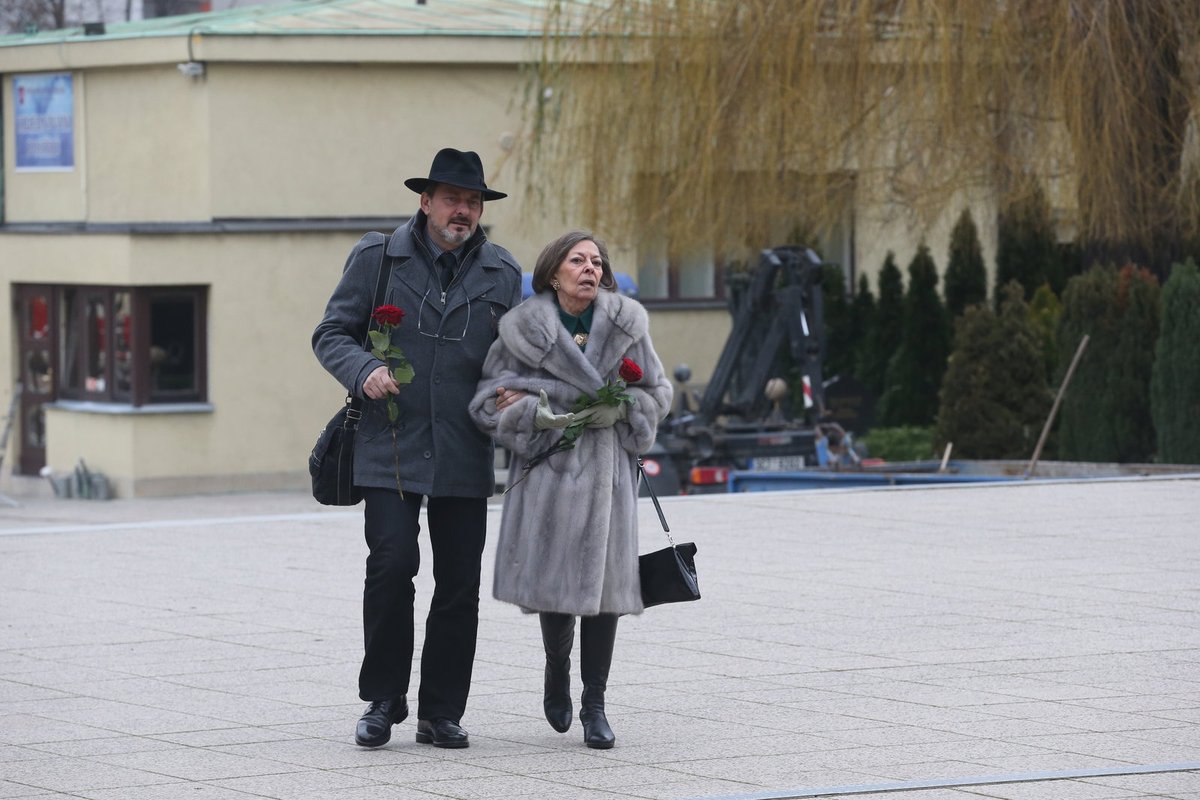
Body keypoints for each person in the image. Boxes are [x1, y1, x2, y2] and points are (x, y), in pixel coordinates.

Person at [313, 148, 522, 749]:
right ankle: (383, 700)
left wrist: (512, 389)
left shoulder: (502, 273)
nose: (464, 211)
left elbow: (515, 357)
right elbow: (331, 333)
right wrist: (362, 370)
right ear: (425, 202)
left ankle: (441, 711)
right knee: (391, 565)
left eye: (474, 202)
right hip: (391, 444)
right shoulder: (378, 257)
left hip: (464, 448)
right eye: (453, 199)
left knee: (458, 582)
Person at [469, 230, 672, 748]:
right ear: (552, 272)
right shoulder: (522, 330)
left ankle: (595, 705)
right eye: (577, 260)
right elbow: (487, 399)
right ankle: (556, 668)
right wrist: (532, 411)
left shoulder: (627, 324)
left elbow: (657, 390)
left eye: (596, 261)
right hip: (550, 474)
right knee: (557, 593)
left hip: (607, 478)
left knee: (606, 597)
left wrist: (626, 408)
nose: (589, 268)